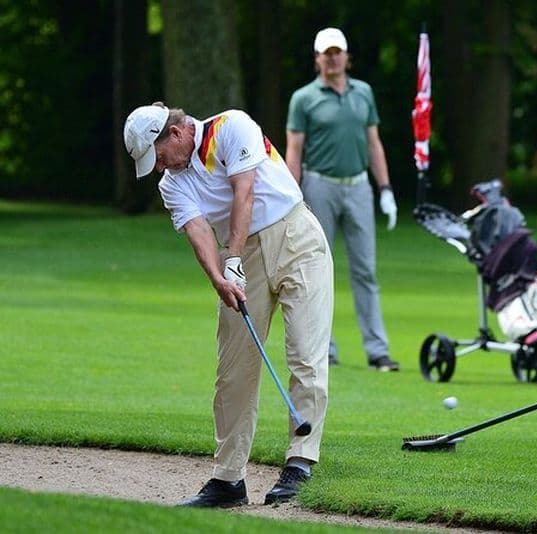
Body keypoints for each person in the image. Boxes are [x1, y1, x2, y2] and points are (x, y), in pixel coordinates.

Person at [122, 102, 333, 507]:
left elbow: (245, 192)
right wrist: (220, 277)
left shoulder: (231, 126)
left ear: (177, 134)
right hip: (242, 259)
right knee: (234, 370)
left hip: (296, 238)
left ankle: (300, 462)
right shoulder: (171, 183)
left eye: (161, 157)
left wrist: (231, 256)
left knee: (305, 354)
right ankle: (228, 479)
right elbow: (198, 229)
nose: (161, 167)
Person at [285, 27, 399, 372]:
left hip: (358, 187)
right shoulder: (304, 98)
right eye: (326, 53)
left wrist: (386, 189)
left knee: (365, 269)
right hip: (319, 186)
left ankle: (377, 349)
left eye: (338, 52)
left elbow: (374, 143)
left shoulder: (363, 93)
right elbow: (294, 150)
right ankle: (325, 347)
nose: (332, 58)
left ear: (347, 57)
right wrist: (293, 196)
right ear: (317, 58)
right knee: (319, 268)